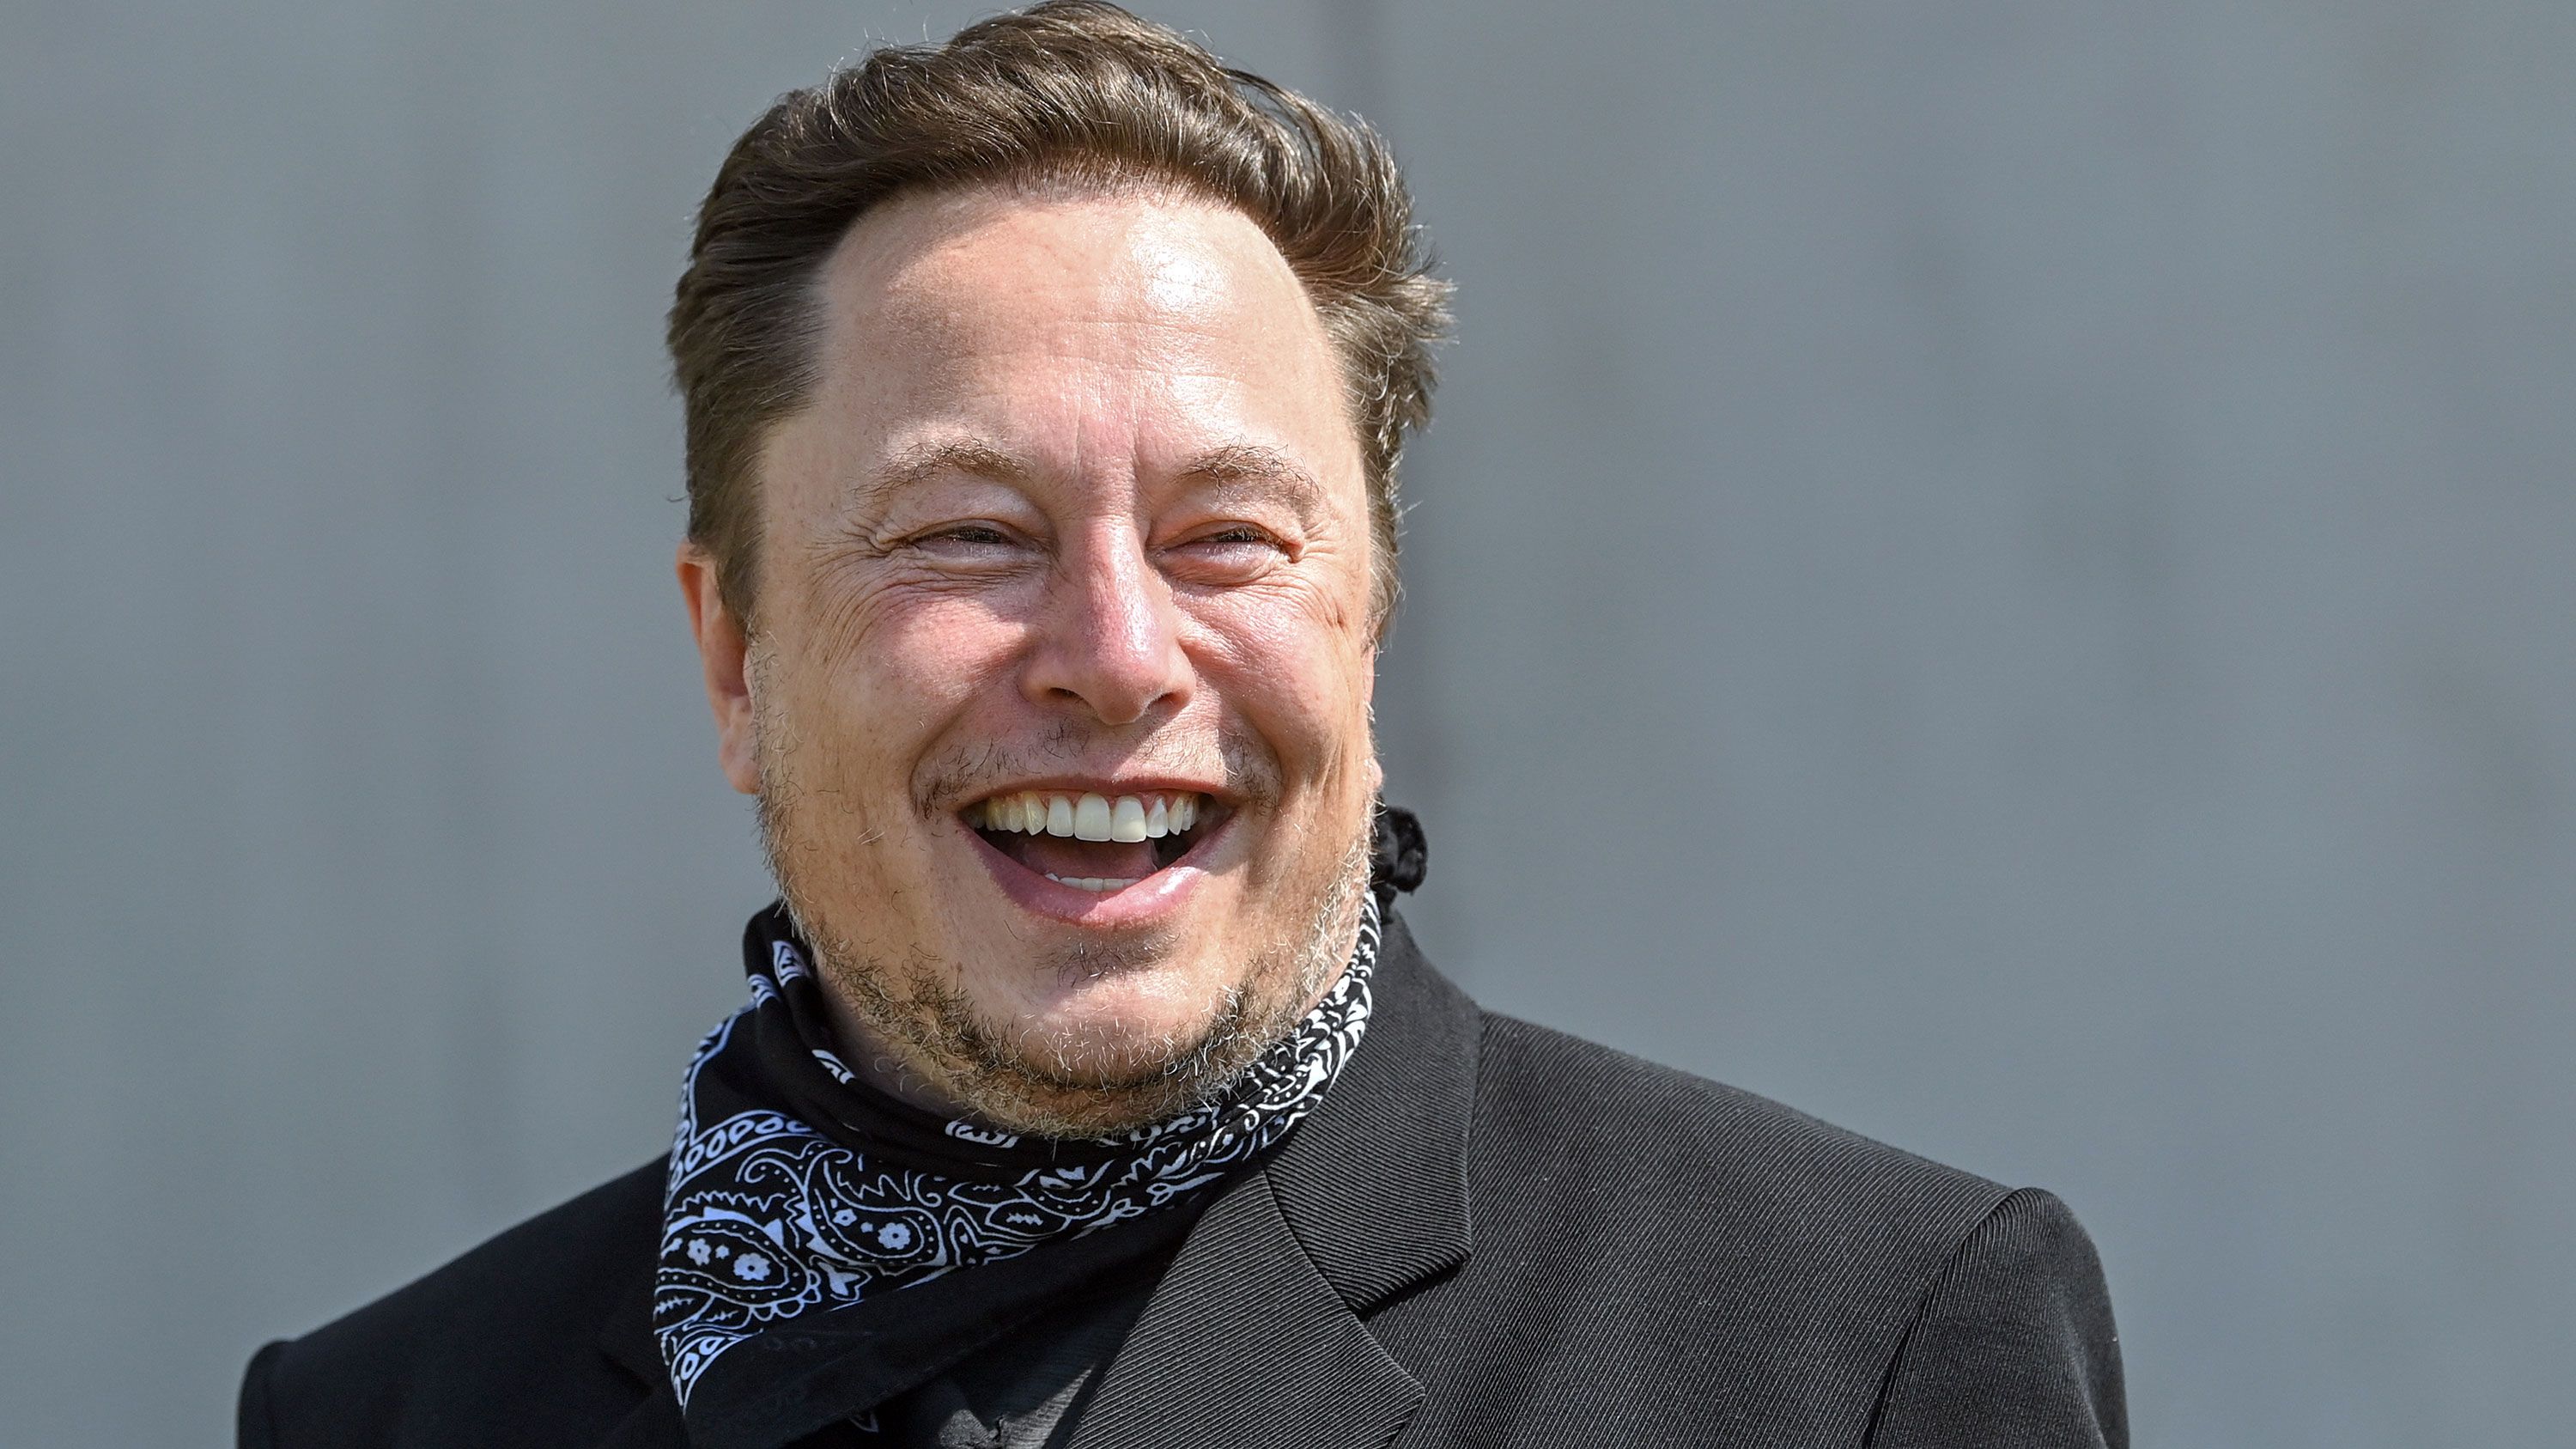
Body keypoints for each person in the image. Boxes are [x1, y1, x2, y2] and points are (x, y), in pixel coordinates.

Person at [236, 4, 2126, 1446]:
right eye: (970, 534)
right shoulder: (391, 1414)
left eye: (1229, 537)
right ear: (738, 660)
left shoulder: (1856, 1351)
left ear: (1365, 626)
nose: (1120, 656)